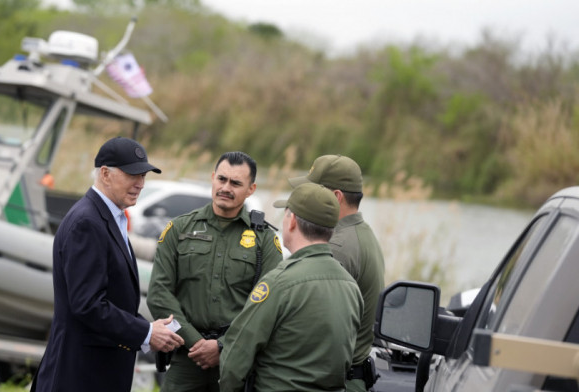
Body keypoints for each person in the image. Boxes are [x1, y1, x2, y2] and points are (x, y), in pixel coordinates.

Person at [31, 137, 184, 392]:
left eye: (143, 176)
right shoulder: (87, 223)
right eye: (132, 175)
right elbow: (88, 304)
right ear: (105, 174)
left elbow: (112, 299)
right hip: (80, 377)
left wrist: (150, 331)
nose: (140, 184)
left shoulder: (107, 218)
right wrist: (145, 333)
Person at [147, 151, 283, 392]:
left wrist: (222, 346)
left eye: (236, 183)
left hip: (237, 361)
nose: (226, 188)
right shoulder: (179, 229)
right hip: (187, 356)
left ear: (251, 189)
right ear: (212, 177)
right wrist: (196, 342)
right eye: (222, 179)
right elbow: (159, 294)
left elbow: (269, 307)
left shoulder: (265, 240)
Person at [219, 182, 363, 392]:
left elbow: (235, 357)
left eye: (286, 214)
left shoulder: (279, 283)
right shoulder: (350, 286)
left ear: (292, 221)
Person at [289, 154, 385, 391]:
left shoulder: (336, 248)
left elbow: (312, 330)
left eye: (312, 191)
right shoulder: (362, 234)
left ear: (335, 197)